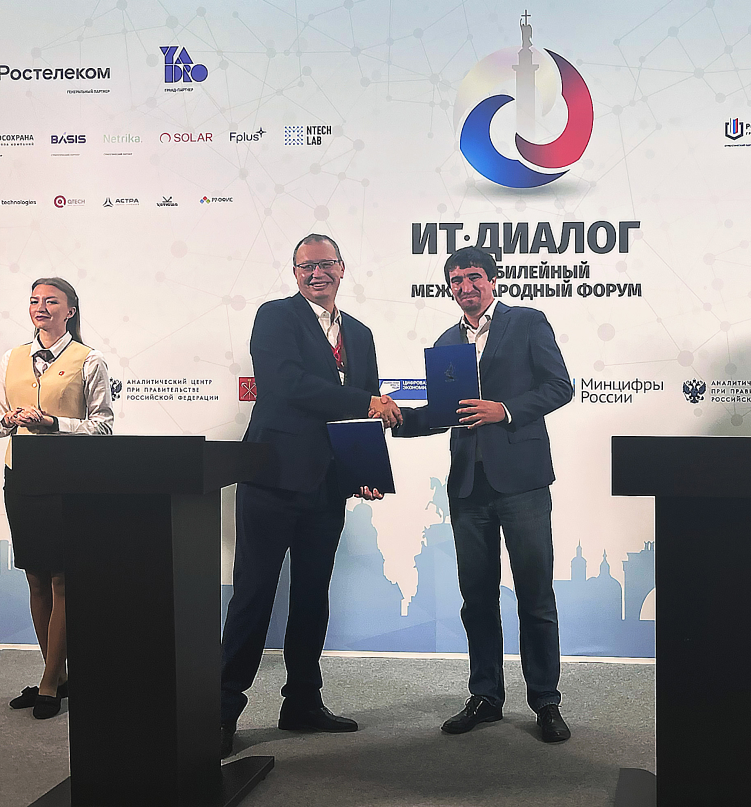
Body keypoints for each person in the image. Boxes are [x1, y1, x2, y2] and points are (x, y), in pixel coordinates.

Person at [219, 233, 401, 759]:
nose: (316, 273)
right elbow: (286, 386)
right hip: (273, 480)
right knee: (254, 595)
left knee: (312, 597)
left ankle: (302, 702)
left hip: (327, 485)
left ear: (342, 269)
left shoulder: (360, 334)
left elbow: (360, 416)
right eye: (306, 266)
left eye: (325, 264)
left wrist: (362, 471)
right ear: (295, 273)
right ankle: (221, 710)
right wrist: (365, 401)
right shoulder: (275, 317)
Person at [391, 246, 574, 743]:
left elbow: (560, 387)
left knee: (535, 597)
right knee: (476, 599)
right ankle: (486, 696)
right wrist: (397, 420)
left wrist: (504, 410)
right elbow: (444, 413)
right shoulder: (446, 341)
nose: (465, 287)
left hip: (522, 482)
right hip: (467, 488)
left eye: (473, 277)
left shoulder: (527, 322)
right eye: (456, 280)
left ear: (493, 280)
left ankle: (546, 701)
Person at [0, 277, 114, 720]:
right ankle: (57, 676)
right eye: (34, 301)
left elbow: (103, 425)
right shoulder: (11, 358)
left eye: (51, 301)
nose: (40, 307)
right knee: (35, 578)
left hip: (68, 479)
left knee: (62, 579)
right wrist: (10, 419)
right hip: (21, 475)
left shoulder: (89, 359)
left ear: (70, 310)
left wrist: (54, 423)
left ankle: (48, 682)